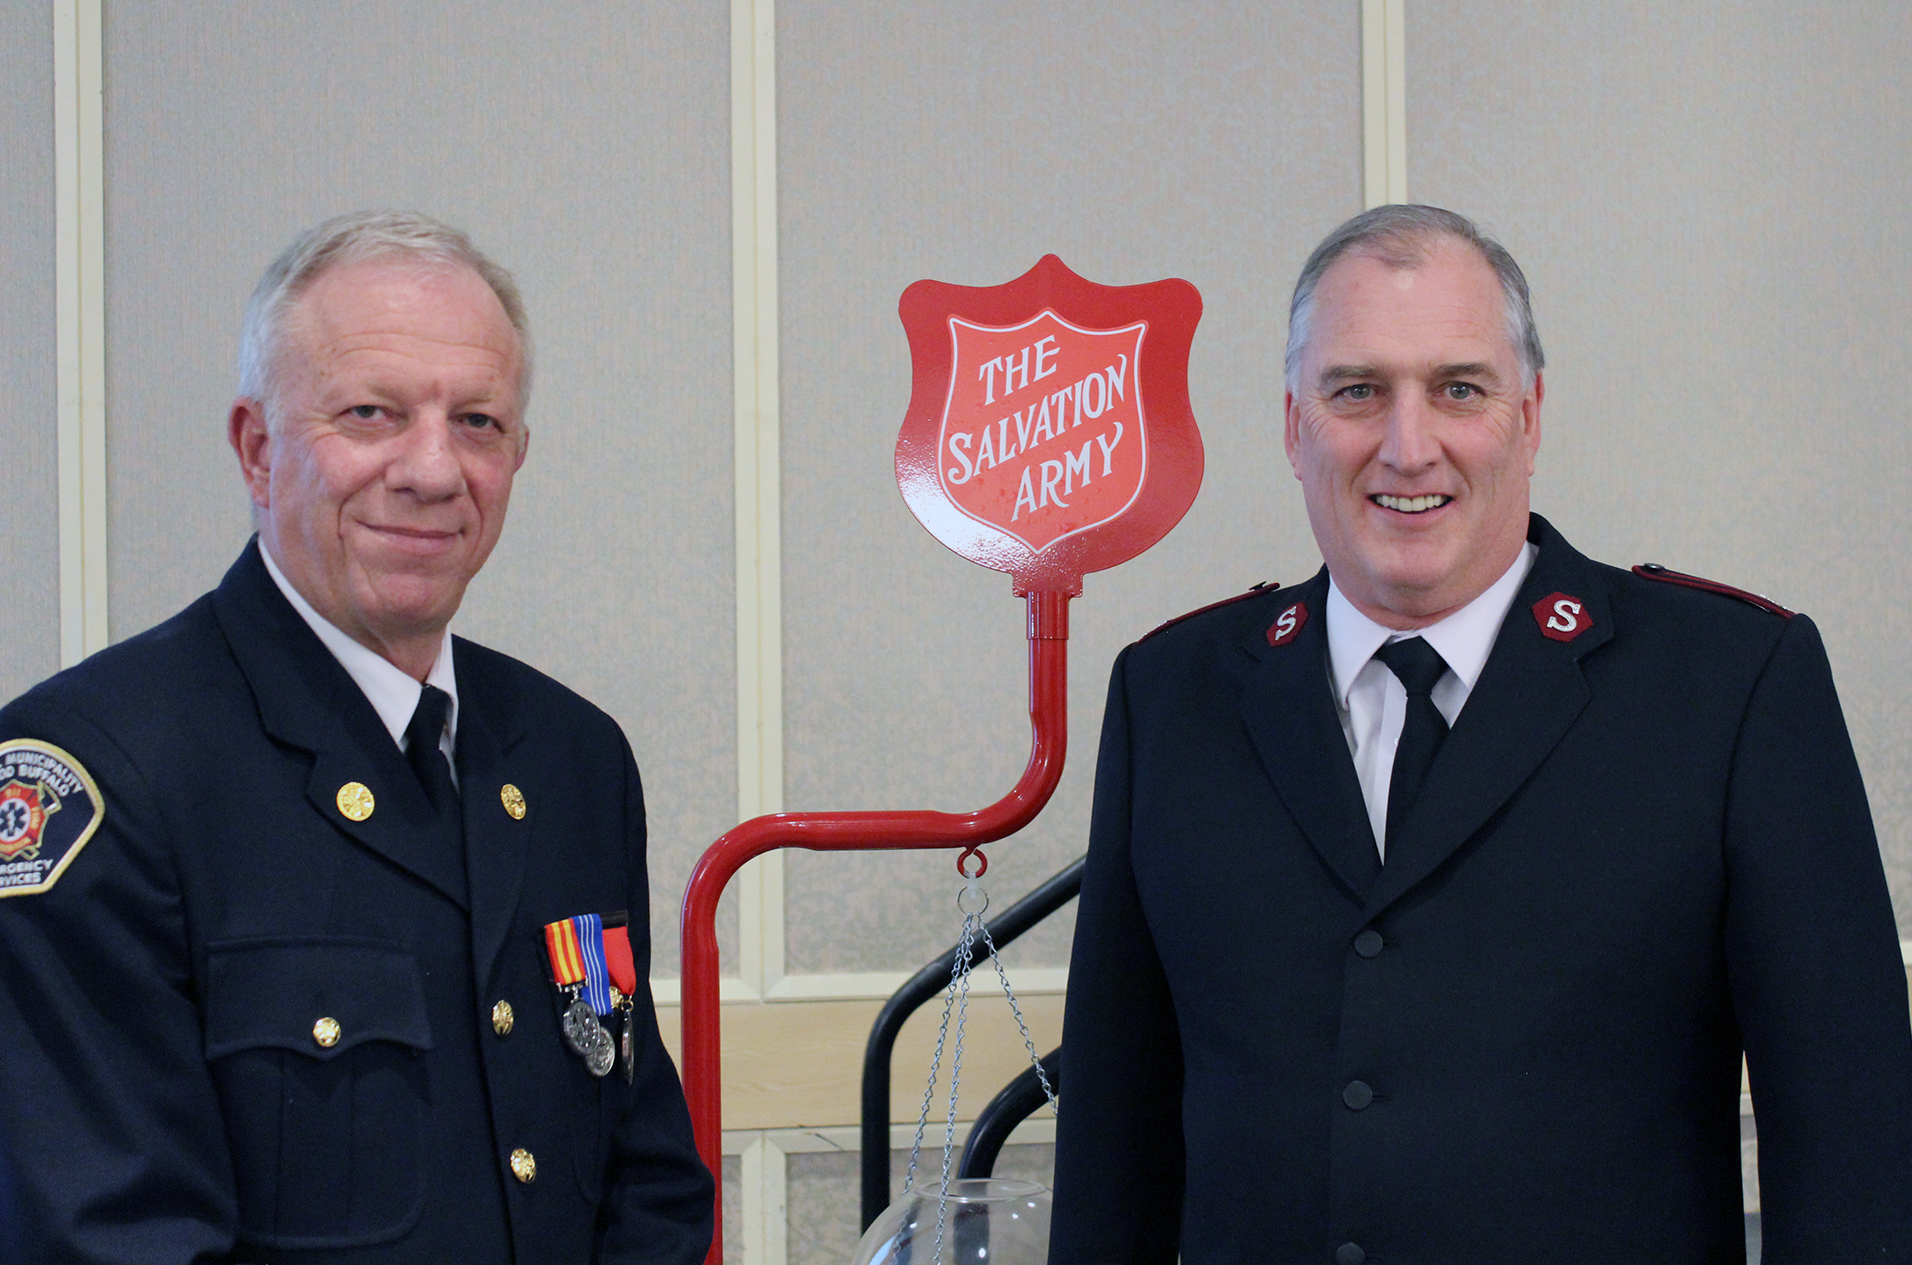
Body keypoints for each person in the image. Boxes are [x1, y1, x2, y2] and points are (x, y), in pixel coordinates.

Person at [1048, 205, 1912, 1263]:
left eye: (1458, 388)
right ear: (1291, 425)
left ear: (1529, 416)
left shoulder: (1729, 686)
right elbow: (1112, 1151)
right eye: (1356, 390)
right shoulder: (1169, 694)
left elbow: (1850, 1147)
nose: (1409, 446)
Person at [0, 211, 713, 1264]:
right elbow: (108, 1238)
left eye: (477, 421)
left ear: (518, 454)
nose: (433, 470)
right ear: (257, 447)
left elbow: (643, 1173)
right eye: (372, 413)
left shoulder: (572, 760)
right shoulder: (98, 773)